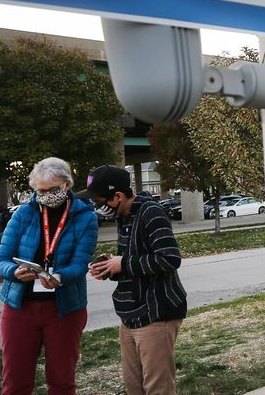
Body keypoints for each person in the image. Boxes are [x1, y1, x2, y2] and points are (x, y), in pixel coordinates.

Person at [0, 157, 98, 395]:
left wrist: (60, 277)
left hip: (64, 309)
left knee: (62, 382)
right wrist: (14, 272)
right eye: (39, 191)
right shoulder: (23, 214)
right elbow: (1, 260)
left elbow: (80, 263)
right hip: (20, 308)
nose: (45, 196)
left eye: (52, 190)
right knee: (15, 382)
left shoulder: (85, 217)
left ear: (66, 185)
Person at [85, 165, 187, 394]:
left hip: (156, 315)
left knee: (157, 388)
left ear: (118, 196)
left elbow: (169, 258)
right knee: (134, 387)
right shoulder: (125, 216)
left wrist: (123, 264)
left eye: (99, 201)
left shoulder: (150, 212)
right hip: (130, 315)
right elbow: (134, 260)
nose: (97, 207)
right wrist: (110, 267)